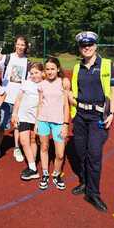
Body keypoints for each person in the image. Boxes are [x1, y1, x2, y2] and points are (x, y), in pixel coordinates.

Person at [69, 31, 114, 213]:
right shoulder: (77, 68)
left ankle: (93, 193)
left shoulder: (106, 65)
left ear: (96, 46)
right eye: (83, 45)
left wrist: (112, 112)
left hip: (98, 118)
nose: (87, 47)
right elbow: (74, 91)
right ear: (80, 48)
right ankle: (84, 181)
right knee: (81, 153)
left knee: (94, 155)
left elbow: (113, 90)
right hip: (80, 117)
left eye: (90, 44)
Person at [0, 35, 31, 163]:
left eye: (23, 45)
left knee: (17, 125)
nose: (20, 47)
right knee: (1, 126)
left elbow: (28, 82)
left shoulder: (28, 62)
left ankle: (17, 148)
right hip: (5, 99)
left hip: (19, 100)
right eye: (18, 44)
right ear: (15, 45)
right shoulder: (7, 58)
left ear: (26, 46)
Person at [36, 57, 70, 190]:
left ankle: (56, 174)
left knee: (60, 154)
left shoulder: (63, 83)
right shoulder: (42, 84)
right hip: (43, 120)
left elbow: (66, 105)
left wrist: (66, 124)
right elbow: (39, 103)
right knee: (44, 148)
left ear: (58, 69)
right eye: (47, 69)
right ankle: (45, 173)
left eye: (52, 69)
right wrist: (36, 122)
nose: (50, 72)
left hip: (59, 123)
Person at [11, 63, 44, 181]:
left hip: (36, 118)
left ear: (42, 73)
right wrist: (14, 113)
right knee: (24, 141)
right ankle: (33, 168)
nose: (34, 75)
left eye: (36, 73)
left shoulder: (44, 85)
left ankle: (32, 165)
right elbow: (18, 99)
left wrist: (38, 120)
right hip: (23, 116)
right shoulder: (26, 83)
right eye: (32, 73)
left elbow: (42, 104)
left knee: (32, 140)